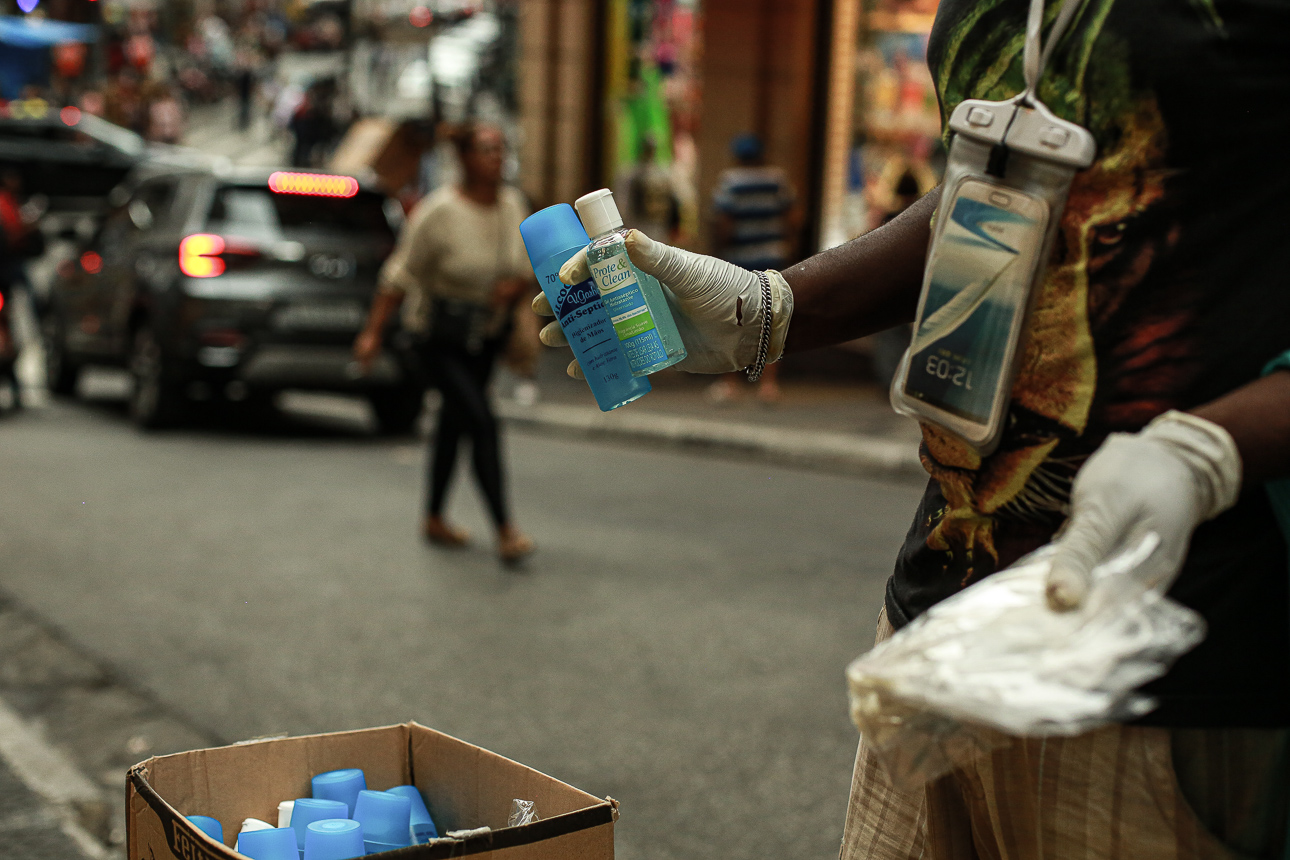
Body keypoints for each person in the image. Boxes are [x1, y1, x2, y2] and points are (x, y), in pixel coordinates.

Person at [536, 1, 1290, 855]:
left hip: (1168, 659)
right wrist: (771, 309)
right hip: (941, 623)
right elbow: (1002, 186)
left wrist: (1210, 452)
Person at [353, 122, 535, 565]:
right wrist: (373, 332)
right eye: (486, 149)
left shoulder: (512, 204)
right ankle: (505, 528)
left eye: (501, 149)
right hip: (438, 338)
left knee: (454, 425)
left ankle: (433, 517)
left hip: (487, 335)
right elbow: (399, 276)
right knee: (481, 421)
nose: (496, 157)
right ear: (465, 158)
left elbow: (526, 265)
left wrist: (514, 288)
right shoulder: (438, 211)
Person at [707, 132, 795, 404]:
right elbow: (792, 215)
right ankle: (769, 385)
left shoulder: (730, 182)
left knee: (734, 321)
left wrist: (717, 251)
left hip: (739, 260)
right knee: (772, 320)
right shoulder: (777, 180)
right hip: (772, 257)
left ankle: (730, 383)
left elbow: (723, 221)